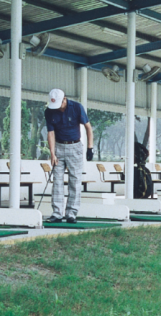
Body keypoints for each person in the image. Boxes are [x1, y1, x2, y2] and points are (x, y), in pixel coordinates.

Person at [45, 89, 94, 223]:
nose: (58, 108)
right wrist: (52, 154)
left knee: (75, 181)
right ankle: (57, 213)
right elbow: (50, 133)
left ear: (64, 99)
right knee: (57, 182)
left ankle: (71, 213)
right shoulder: (49, 111)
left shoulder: (77, 107)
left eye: (60, 104)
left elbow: (88, 127)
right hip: (59, 147)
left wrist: (90, 148)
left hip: (75, 147)